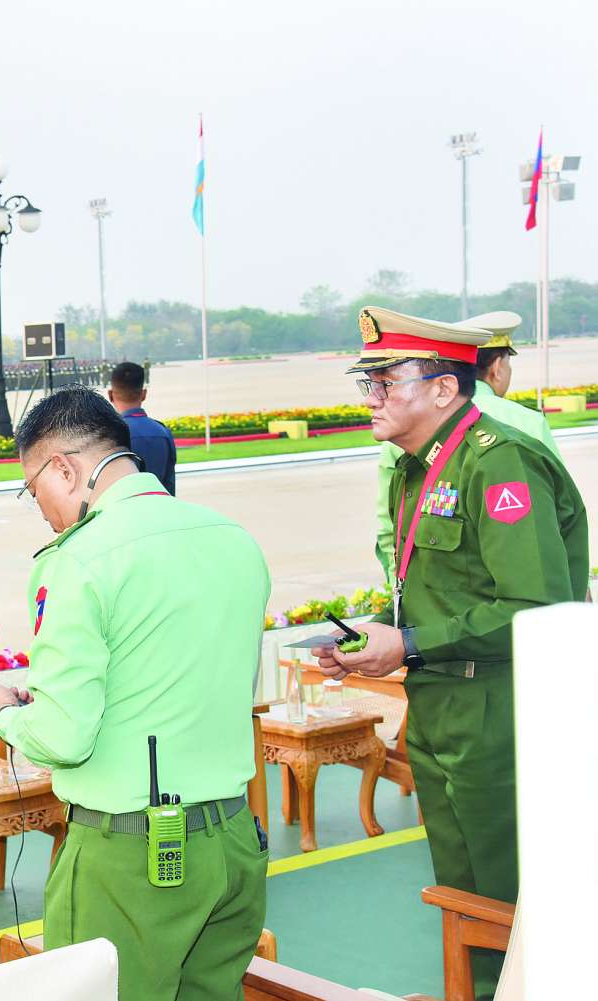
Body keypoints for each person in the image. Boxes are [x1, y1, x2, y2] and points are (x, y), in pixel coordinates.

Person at [316, 307, 589, 1001]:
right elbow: (435, 590)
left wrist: (408, 643)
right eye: (368, 383)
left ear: (443, 388)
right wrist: (376, 635)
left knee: (509, 892)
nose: (371, 398)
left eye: (386, 382)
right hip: (440, 701)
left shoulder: (499, 463)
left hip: (500, 707)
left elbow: (537, 607)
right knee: (462, 889)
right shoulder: (415, 469)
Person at [0, 385, 270, 1000]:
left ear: (64, 468)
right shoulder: (233, 537)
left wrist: (5, 714)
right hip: (232, 840)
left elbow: (63, 738)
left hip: (132, 855)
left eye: (34, 490)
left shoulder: (79, 560)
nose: (42, 509)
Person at [372, 310, 563, 578]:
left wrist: (400, 588)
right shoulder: (529, 422)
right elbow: (558, 516)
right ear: (497, 367)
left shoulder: (405, 425)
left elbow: (390, 527)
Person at [108, 360, 177, 494]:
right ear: (144, 394)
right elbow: (169, 486)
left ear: (110, 395)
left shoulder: (108, 435)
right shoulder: (163, 433)